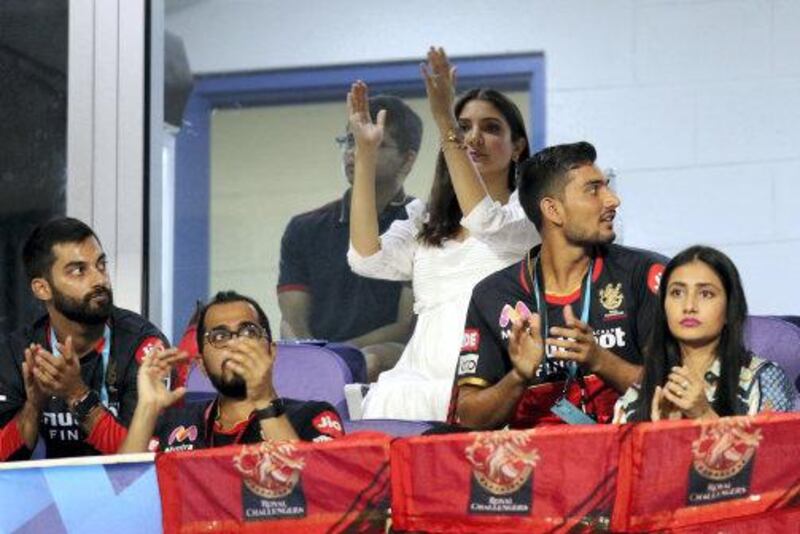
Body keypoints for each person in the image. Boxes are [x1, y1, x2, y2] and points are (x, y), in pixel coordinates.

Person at [348, 47, 538, 420]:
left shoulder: (528, 214)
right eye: (464, 126)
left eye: (491, 128)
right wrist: (366, 153)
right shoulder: (426, 218)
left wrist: (445, 122)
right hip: (414, 384)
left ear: (517, 147)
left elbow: (485, 220)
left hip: (489, 382)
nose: (474, 137)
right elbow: (365, 258)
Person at [448, 141, 668, 430]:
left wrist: (599, 360)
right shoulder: (492, 295)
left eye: (607, 187)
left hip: (626, 451)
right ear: (553, 210)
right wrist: (518, 376)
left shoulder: (645, 274)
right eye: (593, 190)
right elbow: (468, 417)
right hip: (535, 463)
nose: (613, 200)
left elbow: (676, 391)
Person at [0, 218, 178, 460]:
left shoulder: (143, 345)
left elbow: (144, 461)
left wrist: (77, 395)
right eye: (78, 270)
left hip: (126, 495)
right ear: (42, 288)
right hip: (49, 494)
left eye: (101, 265)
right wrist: (33, 407)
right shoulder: (19, 352)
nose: (99, 280)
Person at [278, 94, 422, 381]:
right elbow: (292, 319)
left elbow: (405, 325)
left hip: (394, 365)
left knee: (375, 357)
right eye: (349, 140)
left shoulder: (423, 224)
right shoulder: (304, 228)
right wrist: (313, 356)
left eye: (373, 142)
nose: (354, 151)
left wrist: (338, 356)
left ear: (407, 160)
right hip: (315, 362)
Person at [119, 291, 344, 453]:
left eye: (248, 332)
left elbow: (317, 494)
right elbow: (124, 492)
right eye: (219, 337)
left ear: (271, 352)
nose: (235, 344)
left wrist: (265, 399)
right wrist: (147, 408)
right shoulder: (175, 423)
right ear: (203, 365)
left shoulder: (314, 417)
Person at [613, 246, 796, 423]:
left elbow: (776, 452)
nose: (689, 306)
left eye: (706, 294)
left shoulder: (763, 380)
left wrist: (703, 415)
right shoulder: (636, 397)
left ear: (729, 308)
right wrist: (661, 438)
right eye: (677, 293)